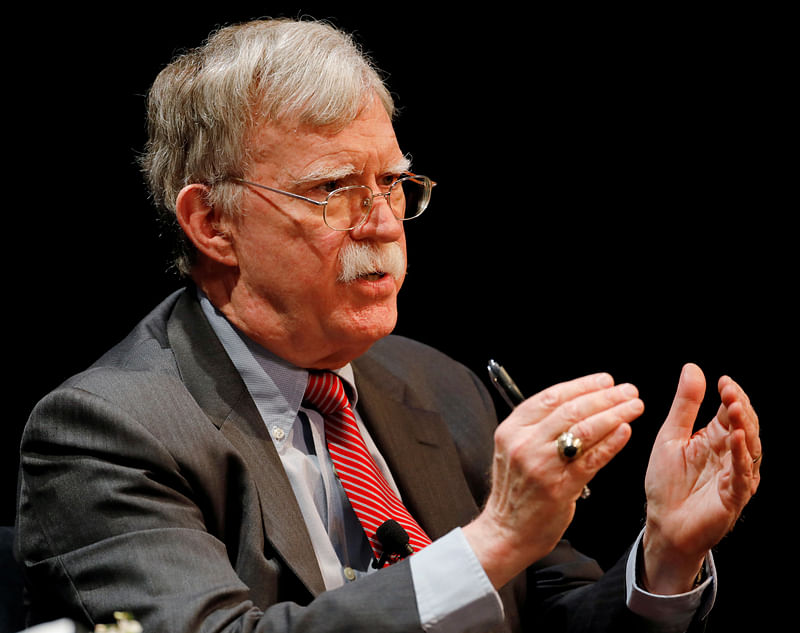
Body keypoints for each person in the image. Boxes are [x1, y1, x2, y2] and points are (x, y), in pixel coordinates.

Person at [15, 18, 761, 633]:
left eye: (394, 184)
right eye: (332, 189)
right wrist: (493, 539)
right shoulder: (108, 431)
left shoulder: (439, 387)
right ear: (212, 223)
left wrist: (663, 560)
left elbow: (551, 615)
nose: (382, 224)